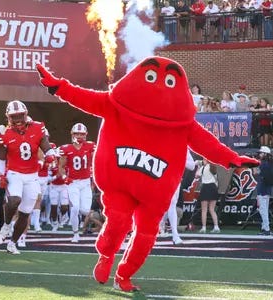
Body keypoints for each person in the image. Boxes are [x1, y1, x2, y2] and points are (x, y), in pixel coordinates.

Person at [36, 57, 259, 292]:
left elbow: (209, 145)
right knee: (118, 222)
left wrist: (232, 159)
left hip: (155, 193)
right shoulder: (115, 104)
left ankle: (124, 274)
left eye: (170, 81)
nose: (160, 87)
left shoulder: (183, 123)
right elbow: (84, 97)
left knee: (145, 236)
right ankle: (106, 256)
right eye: (151, 78)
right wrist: (59, 86)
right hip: (120, 182)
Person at [0, 100, 55, 254]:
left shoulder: (38, 128)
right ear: (8, 117)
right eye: (14, 116)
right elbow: (1, 158)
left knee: (25, 214)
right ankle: (6, 225)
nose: (18, 119)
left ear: (26, 114)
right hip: (14, 173)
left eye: (20, 115)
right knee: (14, 200)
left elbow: (46, 147)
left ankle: (12, 243)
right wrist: (1, 175)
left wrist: (50, 156)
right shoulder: (4, 133)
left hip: (32, 176)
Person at [59, 123, 96, 243]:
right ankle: (75, 233)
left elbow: (96, 161)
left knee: (85, 210)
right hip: (73, 182)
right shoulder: (66, 148)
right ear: (72, 134)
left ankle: (81, 220)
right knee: (75, 208)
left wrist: (94, 176)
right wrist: (65, 177)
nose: (79, 136)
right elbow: (61, 166)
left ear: (85, 135)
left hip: (85, 182)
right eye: (77, 133)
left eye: (82, 134)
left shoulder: (91, 146)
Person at [159, 149, 196, 245]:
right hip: (158, 176)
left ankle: (174, 234)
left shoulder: (182, 147)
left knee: (171, 204)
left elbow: (192, 166)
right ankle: (161, 226)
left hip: (174, 178)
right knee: (163, 204)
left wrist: (179, 160)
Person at [196, 159, 221, 233]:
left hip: (206, 188)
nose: (202, 161)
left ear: (205, 160)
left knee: (204, 210)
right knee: (212, 209)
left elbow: (196, 176)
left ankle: (204, 228)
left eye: (203, 159)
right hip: (213, 188)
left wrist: (198, 167)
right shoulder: (213, 167)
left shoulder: (203, 168)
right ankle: (216, 227)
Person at [254, 146, 273, 235]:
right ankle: (264, 228)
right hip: (267, 190)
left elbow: (255, 172)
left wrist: (253, 164)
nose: (260, 154)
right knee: (264, 209)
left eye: (261, 153)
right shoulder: (270, 163)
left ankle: (266, 229)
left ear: (265, 154)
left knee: (263, 210)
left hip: (262, 190)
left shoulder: (263, 164)